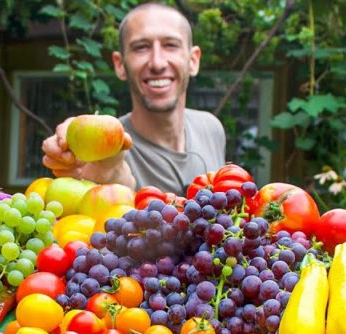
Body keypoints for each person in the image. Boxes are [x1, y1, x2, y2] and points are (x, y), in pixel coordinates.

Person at [41, 3, 226, 195]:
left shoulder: (210, 129)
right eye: (141, 47)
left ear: (193, 60)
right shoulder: (108, 153)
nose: (157, 63)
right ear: (120, 65)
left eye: (170, 45)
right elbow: (118, 181)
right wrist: (99, 168)